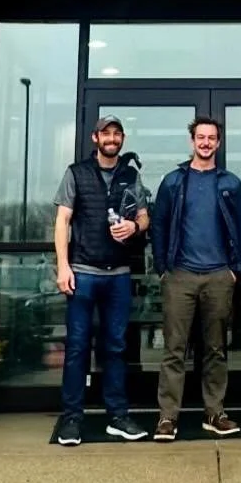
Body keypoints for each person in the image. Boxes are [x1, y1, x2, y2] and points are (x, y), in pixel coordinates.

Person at [52, 115, 150, 446]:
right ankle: (71, 419)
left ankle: (118, 417)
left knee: (116, 347)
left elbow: (144, 216)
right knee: (78, 347)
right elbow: (62, 221)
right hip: (83, 273)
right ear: (95, 138)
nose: (111, 138)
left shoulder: (130, 175)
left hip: (118, 275)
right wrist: (63, 266)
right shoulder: (76, 172)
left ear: (122, 139)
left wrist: (134, 227)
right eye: (105, 133)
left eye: (116, 133)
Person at [150, 115, 241, 440]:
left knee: (216, 349)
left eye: (211, 138)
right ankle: (167, 418)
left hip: (219, 276)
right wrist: (163, 268)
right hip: (180, 275)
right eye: (200, 137)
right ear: (192, 141)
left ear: (218, 143)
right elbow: (159, 225)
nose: (206, 143)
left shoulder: (230, 183)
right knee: (174, 349)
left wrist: (235, 269)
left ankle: (214, 413)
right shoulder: (174, 182)